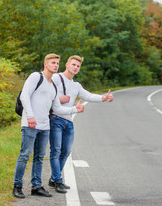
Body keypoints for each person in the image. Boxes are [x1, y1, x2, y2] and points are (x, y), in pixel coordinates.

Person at [12, 53, 84, 199]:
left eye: (57, 63)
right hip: (30, 124)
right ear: (46, 64)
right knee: (25, 155)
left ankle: (36, 186)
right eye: (53, 63)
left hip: (45, 126)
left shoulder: (53, 87)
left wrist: (74, 109)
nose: (55, 65)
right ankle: (17, 186)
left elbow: (57, 108)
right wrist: (30, 116)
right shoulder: (35, 77)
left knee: (39, 157)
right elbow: (24, 95)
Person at [49, 55, 114, 193]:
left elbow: (88, 96)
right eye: (73, 64)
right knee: (56, 150)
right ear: (67, 64)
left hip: (69, 121)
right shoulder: (56, 78)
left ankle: (54, 178)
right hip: (56, 118)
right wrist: (59, 99)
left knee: (66, 151)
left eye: (78, 66)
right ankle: (58, 180)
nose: (75, 67)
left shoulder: (76, 85)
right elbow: (46, 94)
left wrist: (104, 98)